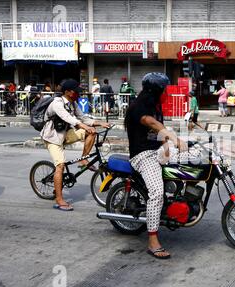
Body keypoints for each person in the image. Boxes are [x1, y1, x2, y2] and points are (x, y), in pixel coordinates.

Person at [125, 72, 201, 259]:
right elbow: (151, 123)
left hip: (158, 151)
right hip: (143, 155)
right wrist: (173, 138)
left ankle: (185, 199)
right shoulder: (138, 107)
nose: (167, 92)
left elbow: (158, 132)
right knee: (157, 193)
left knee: (196, 158)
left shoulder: (155, 106)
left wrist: (175, 142)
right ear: (156, 90)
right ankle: (152, 241)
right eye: (165, 89)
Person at [41, 79, 110, 212]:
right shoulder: (57, 103)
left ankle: (84, 158)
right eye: (76, 92)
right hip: (52, 137)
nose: (78, 94)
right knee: (60, 166)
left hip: (65, 133)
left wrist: (99, 123)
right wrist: (84, 126)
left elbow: (83, 117)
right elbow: (69, 118)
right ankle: (59, 199)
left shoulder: (73, 103)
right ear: (67, 92)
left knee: (92, 133)